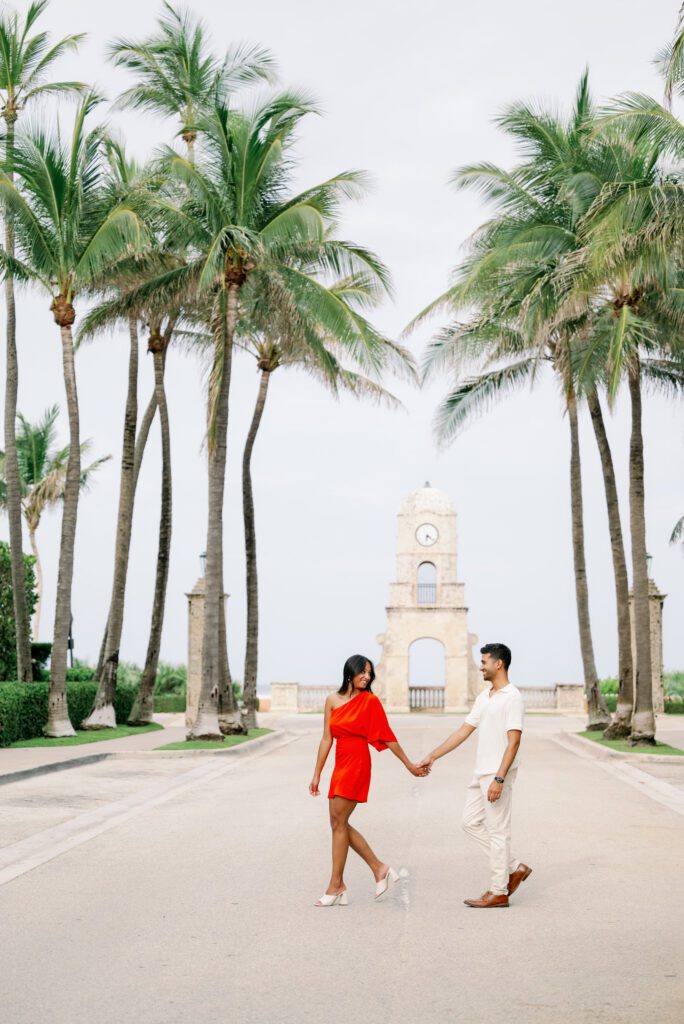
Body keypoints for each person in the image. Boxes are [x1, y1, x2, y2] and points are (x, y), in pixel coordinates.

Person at [418, 642, 531, 909]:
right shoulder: (485, 696)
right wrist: (432, 755)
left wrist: (500, 779)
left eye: (484, 662)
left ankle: (498, 891)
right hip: (480, 771)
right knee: (469, 822)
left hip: (497, 773)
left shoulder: (512, 697)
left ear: (498, 664)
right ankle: (514, 867)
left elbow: (514, 742)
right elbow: (463, 731)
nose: (480, 666)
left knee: (498, 831)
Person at [309, 654, 428, 907]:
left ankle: (336, 884)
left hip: (358, 764)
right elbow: (326, 739)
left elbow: (387, 736)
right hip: (340, 763)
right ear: (349, 672)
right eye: (362, 672)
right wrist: (317, 773)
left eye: (369, 673)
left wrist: (408, 764)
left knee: (339, 822)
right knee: (337, 822)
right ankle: (378, 868)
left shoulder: (370, 702)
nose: (366, 676)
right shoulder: (332, 700)